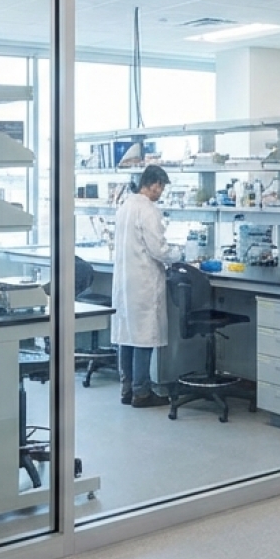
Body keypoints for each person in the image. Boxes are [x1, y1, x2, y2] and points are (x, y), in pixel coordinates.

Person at [110, 164, 173, 408]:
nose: (161, 192)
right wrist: (180, 255)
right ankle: (142, 392)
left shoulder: (125, 206)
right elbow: (159, 249)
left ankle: (127, 388)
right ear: (155, 184)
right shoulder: (148, 210)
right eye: (161, 188)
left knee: (127, 335)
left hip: (126, 281)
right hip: (144, 281)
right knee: (143, 337)